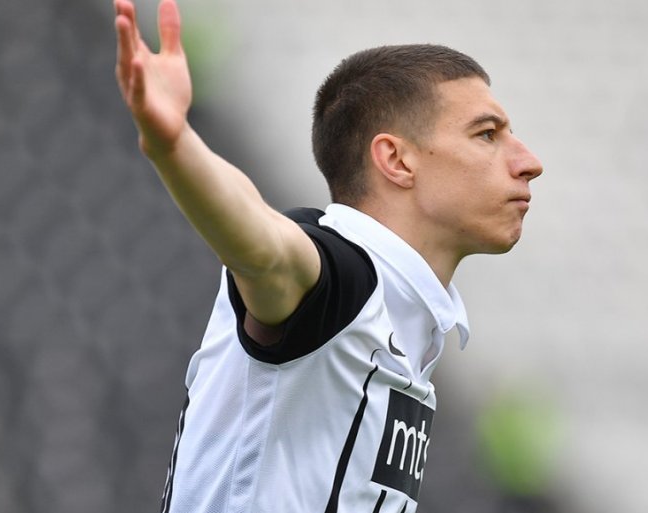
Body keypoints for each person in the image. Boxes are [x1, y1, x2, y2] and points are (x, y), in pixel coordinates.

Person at [114, 0, 543, 511]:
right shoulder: (342, 274)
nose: (529, 162)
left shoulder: (406, 317)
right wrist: (175, 145)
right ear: (396, 160)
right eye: (487, 134)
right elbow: (265, 247)